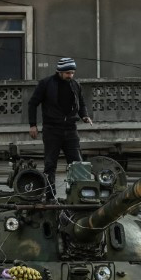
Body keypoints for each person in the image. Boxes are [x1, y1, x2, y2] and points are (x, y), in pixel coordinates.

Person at [27, 56, 92, 199]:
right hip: (52, 129)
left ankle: (79, 195)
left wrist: (84, 116)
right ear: (59, 71)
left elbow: (81, 103)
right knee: (50, 164)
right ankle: (50, 195)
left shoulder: (75, 85)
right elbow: (32, 103)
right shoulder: (46, 84)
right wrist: (33, 125)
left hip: (70, 129)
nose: (71, 76)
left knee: (77, 163)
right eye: (68, 73)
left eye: (72, 73)